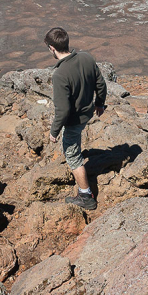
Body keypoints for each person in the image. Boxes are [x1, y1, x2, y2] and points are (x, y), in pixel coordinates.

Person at [45, 27, 107, 210]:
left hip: (74, 120)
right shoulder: (86, 57)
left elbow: (62, 110)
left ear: (51, 48)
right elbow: (100, 84)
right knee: (74, 145)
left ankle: (86, 195)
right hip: (87, 113)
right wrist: (100, 104)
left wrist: (54, 132)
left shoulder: (60, 74)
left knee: (72, 155)